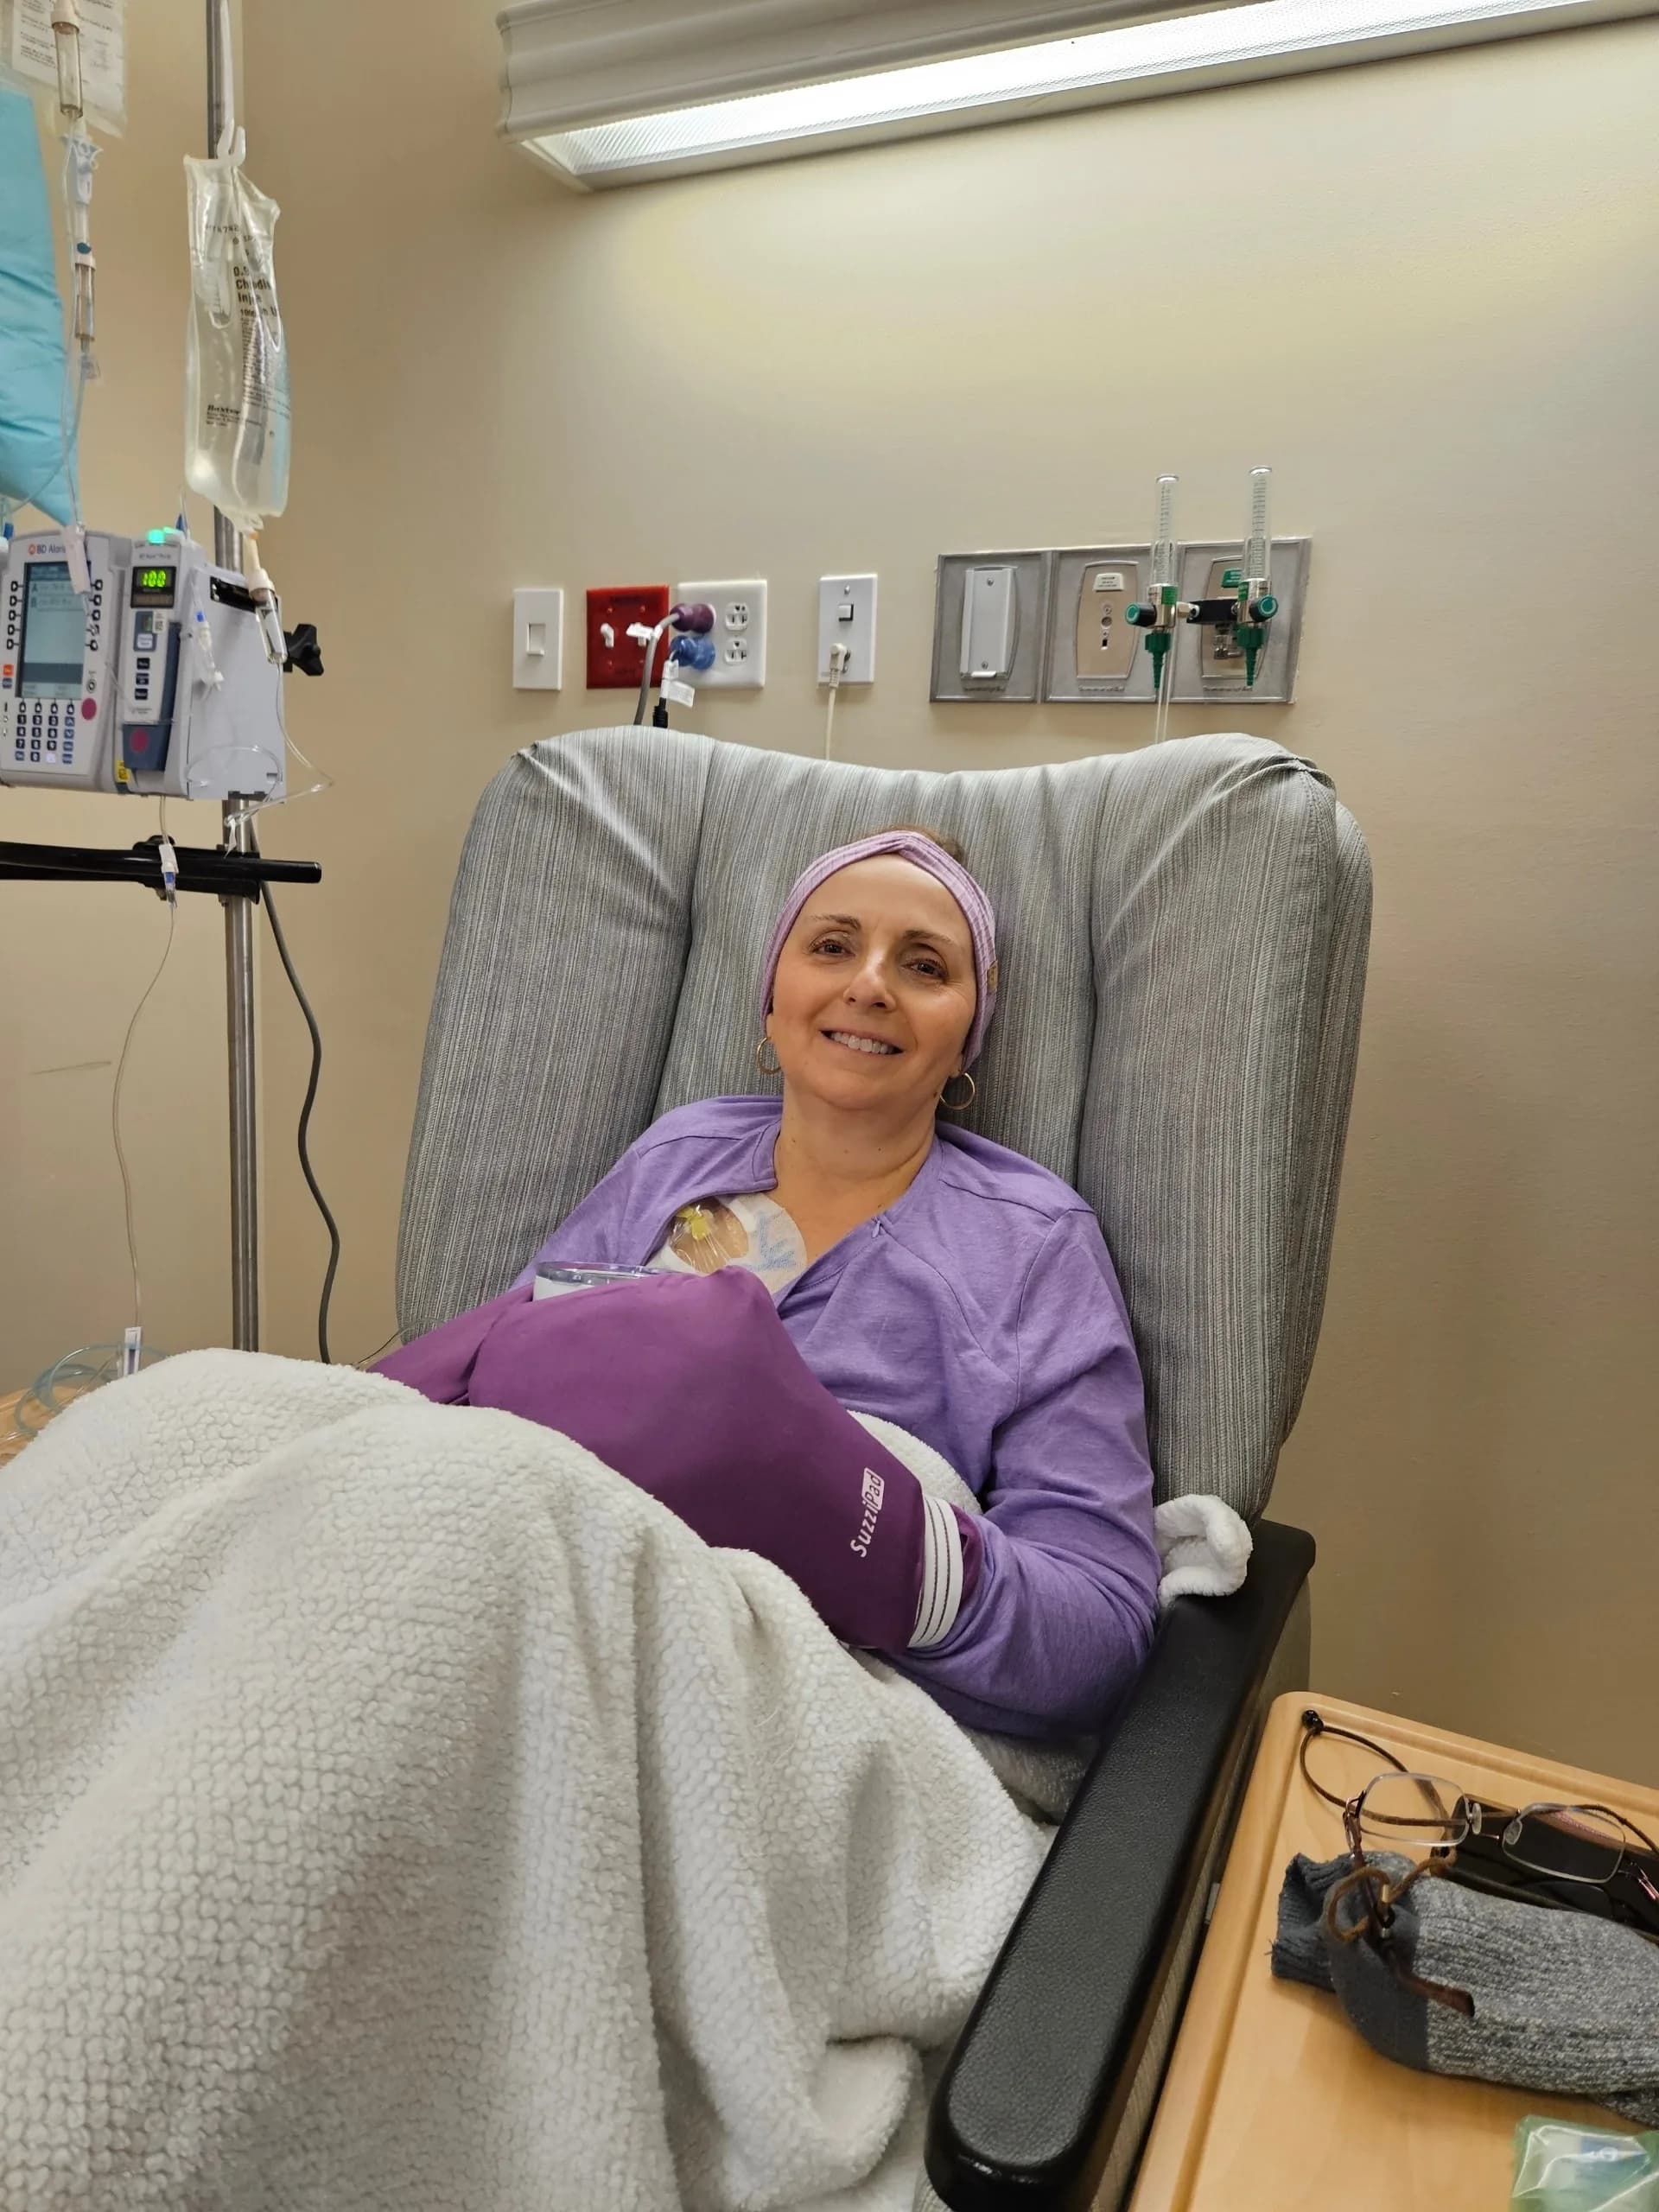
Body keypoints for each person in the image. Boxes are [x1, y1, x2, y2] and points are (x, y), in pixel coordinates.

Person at [383, 829, 1159, 1740]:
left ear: (968, 1036)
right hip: (540, 1583)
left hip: (787, 1700)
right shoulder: (679, 1153)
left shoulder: (1033, 1244)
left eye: (924, 965)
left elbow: (1099, 1625)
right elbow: (503, 1366)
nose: (869, 983)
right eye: (832, 946)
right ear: (772, 997)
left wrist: (856, 1521)